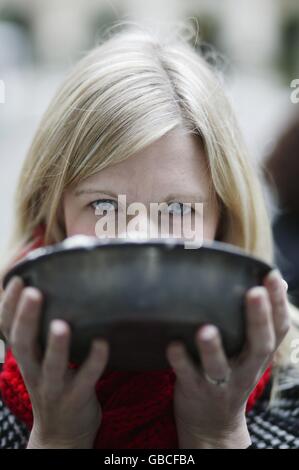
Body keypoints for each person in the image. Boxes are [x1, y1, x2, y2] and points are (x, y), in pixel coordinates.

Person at [0, 23, 299, 449]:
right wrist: (56, 438)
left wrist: (217, 436)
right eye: (104, 206)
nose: (138, 239)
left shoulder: (290, 392)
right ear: (55, 214)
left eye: (177, 210)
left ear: (225, 220)